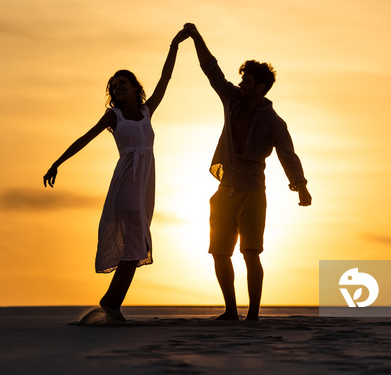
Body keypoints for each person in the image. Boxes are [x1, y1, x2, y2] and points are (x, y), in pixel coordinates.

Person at [43, 28, 190, 324]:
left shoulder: (147, 111)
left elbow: (166, 79)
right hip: (126, 184)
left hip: (145, 184)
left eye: (123, 83)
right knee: (137, 245)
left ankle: (113, 304)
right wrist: (57, 162)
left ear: (135, 87)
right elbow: (85, 137)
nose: (117, 88)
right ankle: (110, 303)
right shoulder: (115, 116)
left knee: (136, 247)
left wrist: (174, 45)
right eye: (113, 86)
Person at [184, 23, 312, 321]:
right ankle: (230, 310)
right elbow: (211, 70)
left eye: (247, 81)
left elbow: (288, 155)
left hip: (253, 192)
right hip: (225, 189)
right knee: (219, 252)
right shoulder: (232, 100)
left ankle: (253, 314)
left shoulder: (274, 122)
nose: (241, 84)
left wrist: (300, 185)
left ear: (261, 87)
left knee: (250, 253)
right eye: (241, 79)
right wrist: (196, 37)